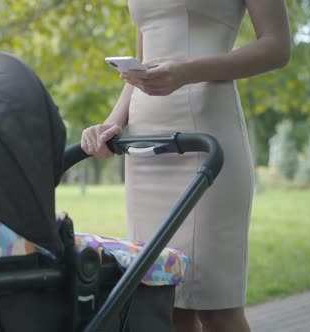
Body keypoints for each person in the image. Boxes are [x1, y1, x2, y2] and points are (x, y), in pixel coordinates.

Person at [81, 1, 291, 331]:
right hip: (146, 145)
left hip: (207, 133)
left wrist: (188, 71)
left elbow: (277, 47)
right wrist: (112, 122)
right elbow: (142, 63)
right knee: (165, 304)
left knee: (216, 307)